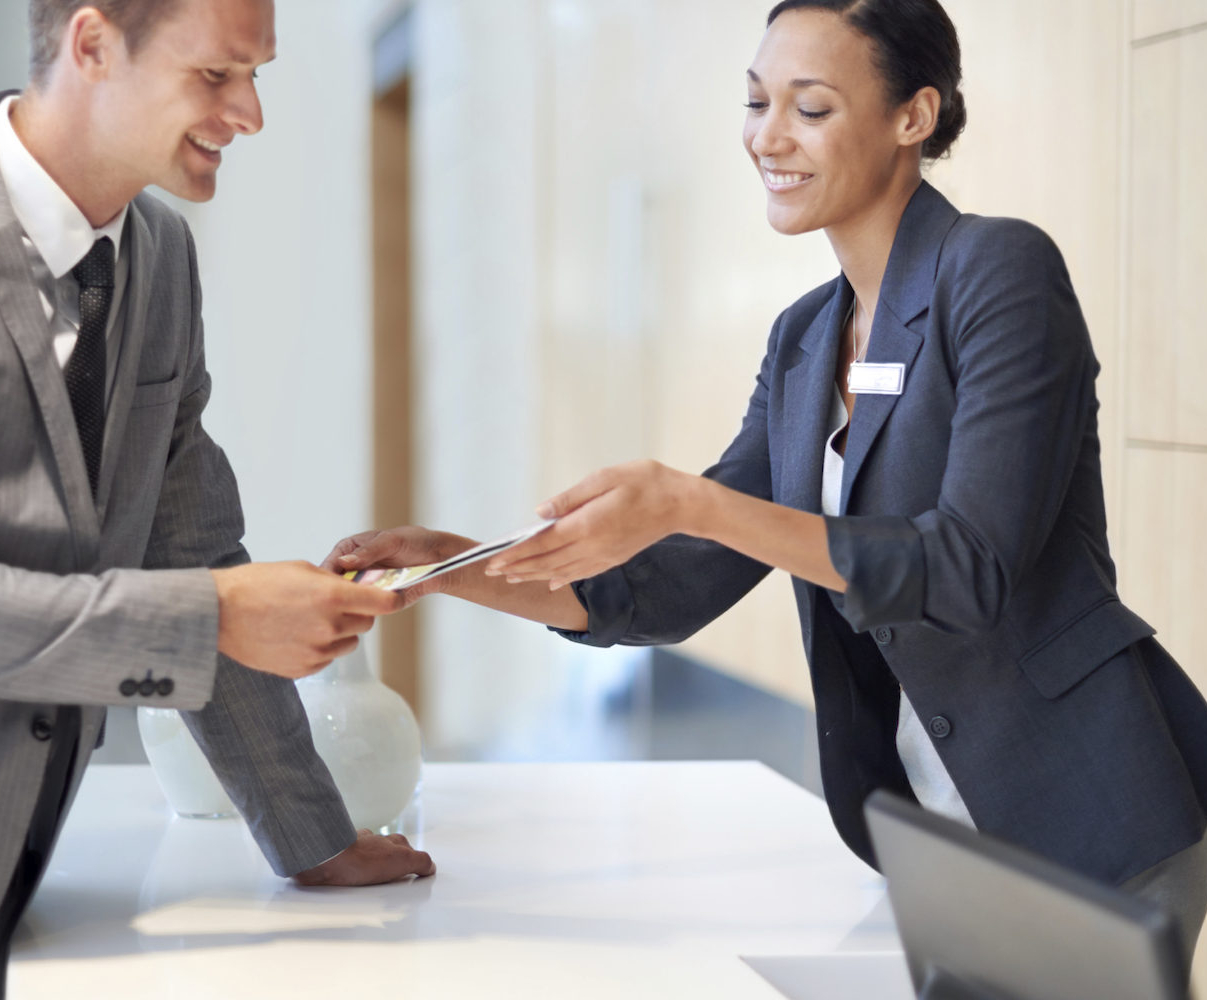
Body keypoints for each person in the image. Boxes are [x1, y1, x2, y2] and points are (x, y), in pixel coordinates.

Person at [328, 0, 1207, 961]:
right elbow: (664, 588)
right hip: (933, 824)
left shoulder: (997, 270)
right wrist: (449, 566)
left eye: (811, 108)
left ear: (914, 116)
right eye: (756, 102)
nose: (768, 137)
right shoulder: (803, 339)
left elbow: (966, 569)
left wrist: (694, 500)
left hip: (1086, 807)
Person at [0, 1, 434, 997]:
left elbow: (192, 545)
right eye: (215, 75)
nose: (248, 113)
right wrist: (215, 619)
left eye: (256, 75)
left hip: (9, 878)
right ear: (90, 45)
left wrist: (311, 840)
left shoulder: (159, 256)